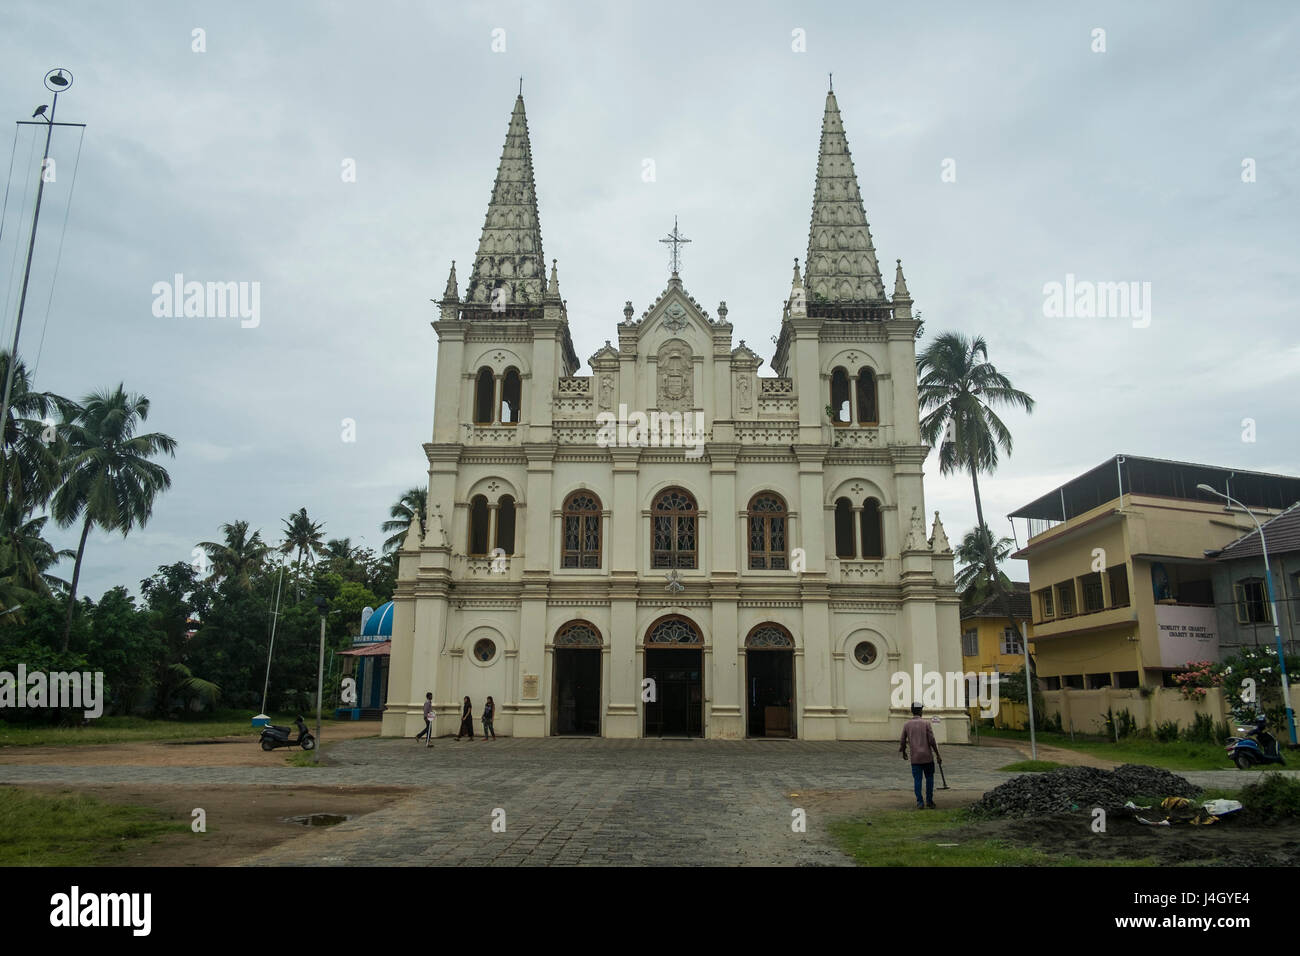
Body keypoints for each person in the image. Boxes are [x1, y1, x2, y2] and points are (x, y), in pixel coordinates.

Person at [899, 702, 941, 809]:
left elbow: (902, 740)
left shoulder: (907, 725)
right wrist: (937, 754)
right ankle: (929, 801)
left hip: (915, 758)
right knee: (929, 779)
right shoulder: (926, 723)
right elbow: (932, 740)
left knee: (917, 780)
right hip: (927, 757)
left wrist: (903, 751)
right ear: (920, 711)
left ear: (912, 711)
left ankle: (920, 802)